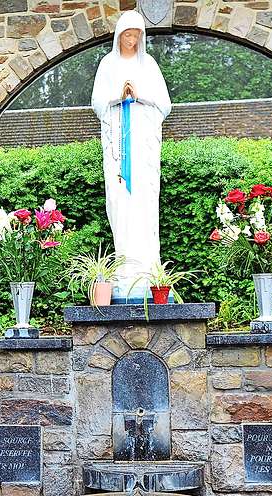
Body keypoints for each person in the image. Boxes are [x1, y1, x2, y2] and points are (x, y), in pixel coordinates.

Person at [91, 10, 172, 302]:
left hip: (143, 150)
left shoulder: (148, 65)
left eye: (136, 36)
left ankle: (150, 272)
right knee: (119, 202)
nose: (132, 40)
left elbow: (164, 104)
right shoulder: (108, 64)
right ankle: (124, 271)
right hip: (117, 152)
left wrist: (139, 95)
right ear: (119, 36)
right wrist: (118, 94)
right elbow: (98, 102)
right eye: (127, 35)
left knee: (145, 206)